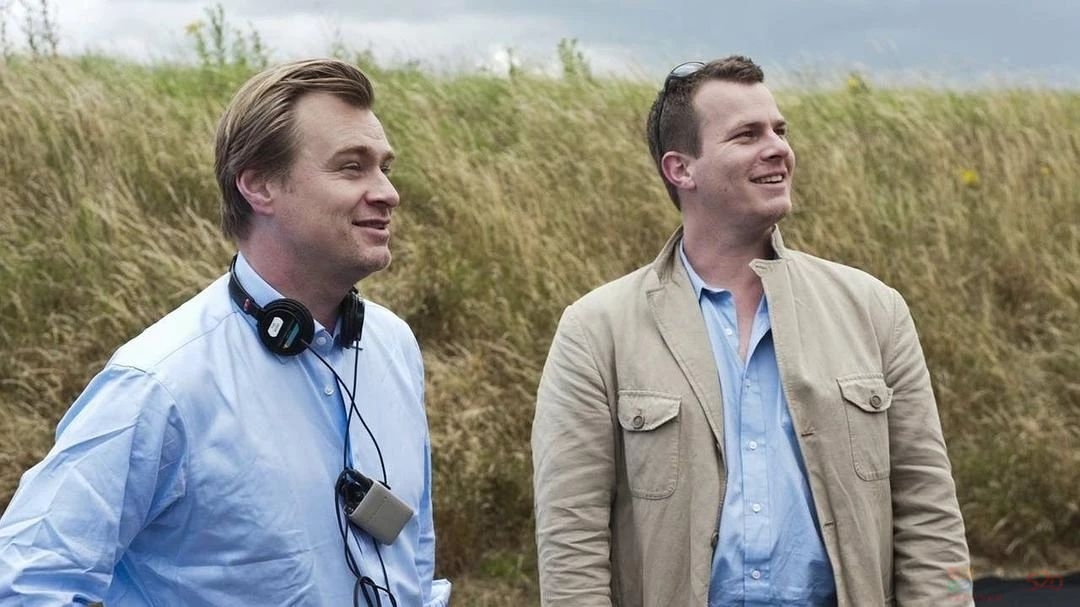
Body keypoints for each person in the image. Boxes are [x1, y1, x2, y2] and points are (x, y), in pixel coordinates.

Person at [0, 58, 451, 607]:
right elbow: (25, 583)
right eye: (352, 167)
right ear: (259, 185)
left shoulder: (393, 345)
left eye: (385, 167)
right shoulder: (160, 383)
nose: (387, 192)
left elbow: (412, 555)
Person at [531, 55, 972, 607]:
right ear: (681, 169)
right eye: (747, 135)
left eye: (779, 130)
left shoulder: (875, 310)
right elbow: (571, 538)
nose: (778, 148)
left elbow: (930, 514)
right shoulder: (596, 330)